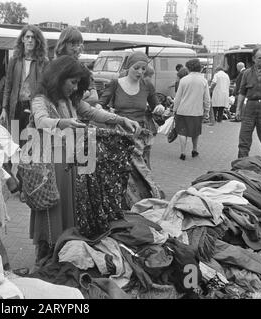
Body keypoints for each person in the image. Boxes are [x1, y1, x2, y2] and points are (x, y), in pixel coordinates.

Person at [29, 55, 140, 263]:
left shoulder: (72, 100)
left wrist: (121, 120)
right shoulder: (40, 99)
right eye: (72, 82)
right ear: (58, 78)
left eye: (78, 83)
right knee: (53, 212)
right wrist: (63, 122)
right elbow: (41, 121)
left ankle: (65, 254)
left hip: (71, 165)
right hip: (51, 167)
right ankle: (45, 258)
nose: (74, 87)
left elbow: (93, 113)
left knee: (70, 212)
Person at [98, 51, 165, 169]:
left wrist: (160, 108)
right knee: (120, 168)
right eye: (136, 68)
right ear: (129, 67)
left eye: (143, 69)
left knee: (140, 170)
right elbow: (101, 104)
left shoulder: (147, 85)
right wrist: (101, 110)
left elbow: (156, 105)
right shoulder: (116, 83)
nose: (140, 72)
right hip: (119, 132)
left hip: (139, 134)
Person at [0, 25, 49, 147]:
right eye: (27, 37)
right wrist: (4, 109)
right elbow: (8, 86)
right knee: (15, 141)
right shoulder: (15, 60)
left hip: (34, 107)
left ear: (38, 41)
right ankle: (14, 166)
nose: (30, 40)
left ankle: (26, 165)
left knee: (30, 142)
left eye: (33, 37)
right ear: (22, 39)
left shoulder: (43, 62)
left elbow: (47, 88)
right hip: (16, 106)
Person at [173, 58, 211, 161]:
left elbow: (178, 97)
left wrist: (174, 109)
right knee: (195, 132)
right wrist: (206, 111)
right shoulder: (203, 81)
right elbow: (207, 99)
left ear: (188, 68)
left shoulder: (183, 80)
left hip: (182, 110)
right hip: (197, 111)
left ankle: (183, 152)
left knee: (182, 132)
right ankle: (194, 150)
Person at [236, 43, 261, 158]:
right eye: (260, 58)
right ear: (254, 59)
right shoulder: (247, 73)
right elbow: (242, 92)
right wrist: (238, 109)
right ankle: (241, 164)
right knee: (244, 138)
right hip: (249, 107)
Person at [54, 26, 99, 105]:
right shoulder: (53, 68)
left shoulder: (84, 70)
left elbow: (94, 98)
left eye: (78, 45)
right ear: (63, 44)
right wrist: (85, 95)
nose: (76, 49)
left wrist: (76, 102)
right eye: (72, 44)